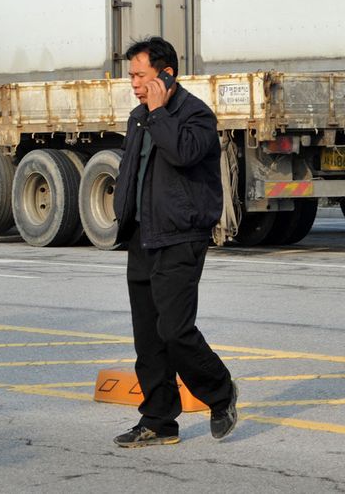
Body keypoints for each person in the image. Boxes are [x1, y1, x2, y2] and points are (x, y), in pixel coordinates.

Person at [111, 36, 238, 448]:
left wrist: (159, 111)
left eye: (141, 76)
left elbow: (182, 154)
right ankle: (159, 421)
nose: (134, 84)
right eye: (131, 76)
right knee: (147, 337)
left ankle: (221, 391)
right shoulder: (139, 117)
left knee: (175, 330)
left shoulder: (195, 116)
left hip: (180, 236)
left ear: (166, 75)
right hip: (141, 236)